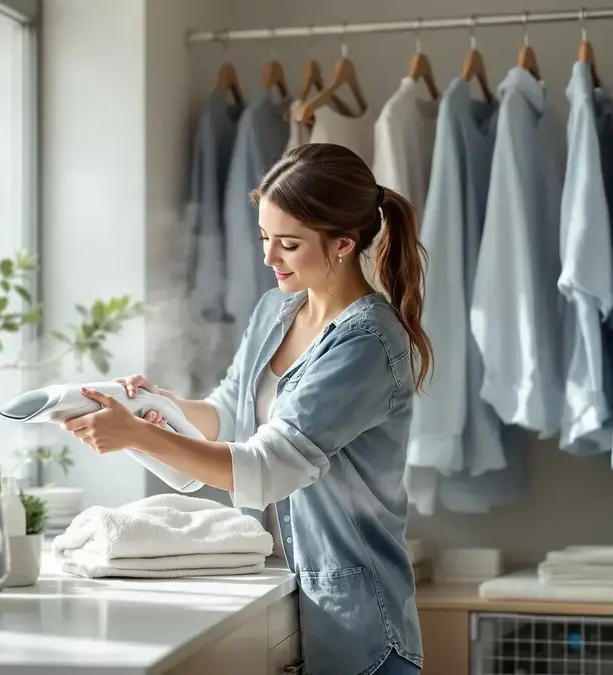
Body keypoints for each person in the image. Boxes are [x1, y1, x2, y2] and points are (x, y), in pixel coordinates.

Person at [60, 142, 433, 675]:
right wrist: (150, 407)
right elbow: (229, 415)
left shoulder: (368, 343)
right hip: (279, 586)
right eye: (264, 238)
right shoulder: (276, 312)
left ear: (344, 244)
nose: (267, 258)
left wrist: (138, 437)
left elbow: (267, 468)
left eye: (288, 244)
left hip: (358, 623)